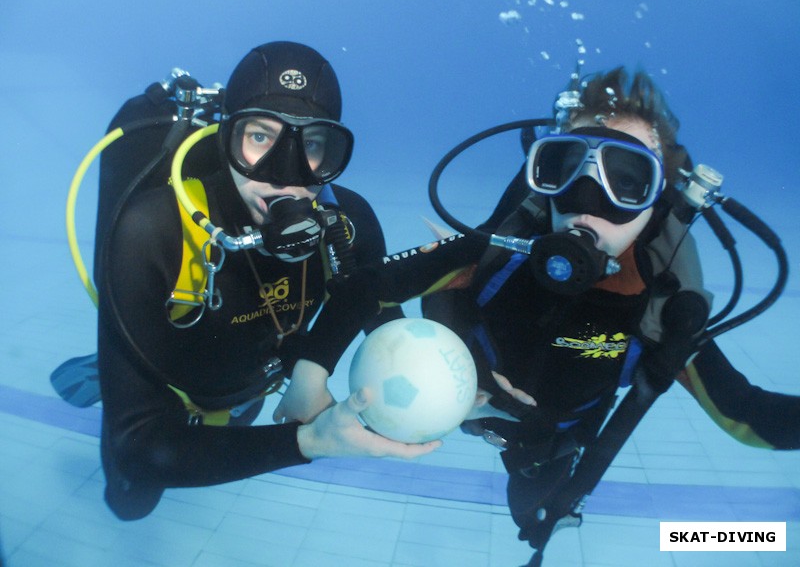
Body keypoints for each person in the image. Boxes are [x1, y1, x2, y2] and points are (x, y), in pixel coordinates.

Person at [275, 67, 800, 563]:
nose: (586, 200)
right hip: (467, 400)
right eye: (564, 168)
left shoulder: (662, 309)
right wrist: (311, 369)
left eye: (626, 179)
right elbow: (370, 284)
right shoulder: (502, 246)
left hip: (553, 443)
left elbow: (746, 413)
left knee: (531, 514)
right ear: (541, 176)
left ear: (657, 199)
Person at [96, 41, 438, 521]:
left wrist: (460, 379)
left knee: (235, 420)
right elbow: (138, 445)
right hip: (168, 394)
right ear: (225, 137)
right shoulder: (152, 231)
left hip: (251, 391)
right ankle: (116, 362)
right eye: (260, 136)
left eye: (313, 144)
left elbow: (381, 316)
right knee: (130, 503)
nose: (286, 174)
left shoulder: (348, 220)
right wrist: (306, 442)